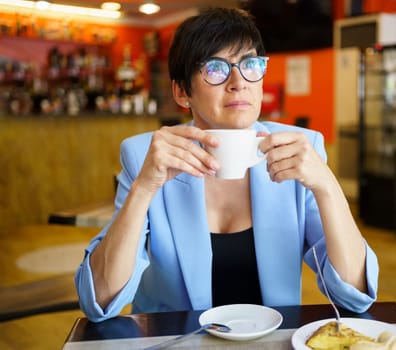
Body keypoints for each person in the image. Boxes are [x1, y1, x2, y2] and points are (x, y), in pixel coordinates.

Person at [75, 7, 378, 323]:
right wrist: (144, 188)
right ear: (181, 92)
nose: (238, 82)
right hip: (176, 344)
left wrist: (327, 186)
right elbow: (99, 300)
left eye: (250, 64)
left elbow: (355, 295)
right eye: (216, 68)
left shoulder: (299, 151)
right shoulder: (146, 157)